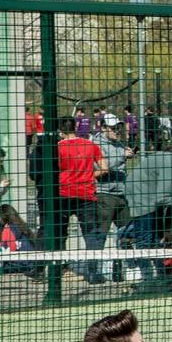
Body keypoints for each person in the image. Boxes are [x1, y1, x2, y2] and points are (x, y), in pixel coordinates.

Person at [57, 115, 109, 284]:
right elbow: (105, 168)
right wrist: (90, 175)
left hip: (64, 192)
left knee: (59, 233)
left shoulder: (58, 147)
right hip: (86, 193)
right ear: (76, 127)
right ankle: (93, 272)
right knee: (90, 234)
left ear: (60, 130)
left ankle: (58, 270)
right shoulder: (90, 145)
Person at [93, 114, 134, 280]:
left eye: (118, 127)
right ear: (103, 128)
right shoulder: (95, 144)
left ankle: (120, 270)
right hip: (104, 194)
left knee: (127, 233)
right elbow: (100, 168)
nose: (117, 131)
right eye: (113, 127)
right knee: (100, 235)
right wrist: (122, 156)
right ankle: (94, 271)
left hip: (121, 194)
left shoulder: (119, 143)